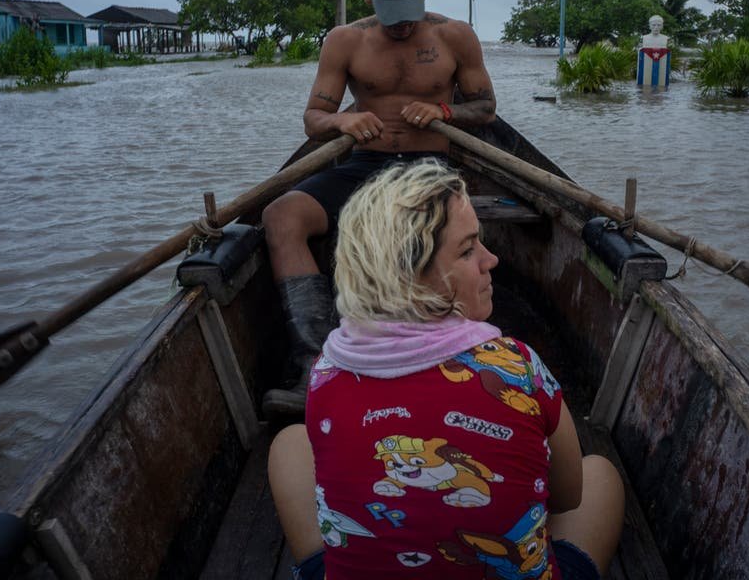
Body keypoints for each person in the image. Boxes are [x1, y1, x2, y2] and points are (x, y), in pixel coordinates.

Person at [268, 160, 625, 579]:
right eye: (468, 249)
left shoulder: (327, 371)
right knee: (600, 474)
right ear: (413, 275)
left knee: (290, 445)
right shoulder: (517, 367)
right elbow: (566, 497)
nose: (491, 259)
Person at [260, 0, 497, 416]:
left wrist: (444, 110)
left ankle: (456, 353)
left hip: (430, 169)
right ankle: (315, 359)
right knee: (280, 216)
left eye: (409, 11)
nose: (401, 25)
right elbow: (313, 118)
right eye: (390, 13)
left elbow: (486, 108)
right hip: (364, 167)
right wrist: (342, 123)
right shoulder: (344, 41)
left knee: (423, 231)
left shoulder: (456, 36)